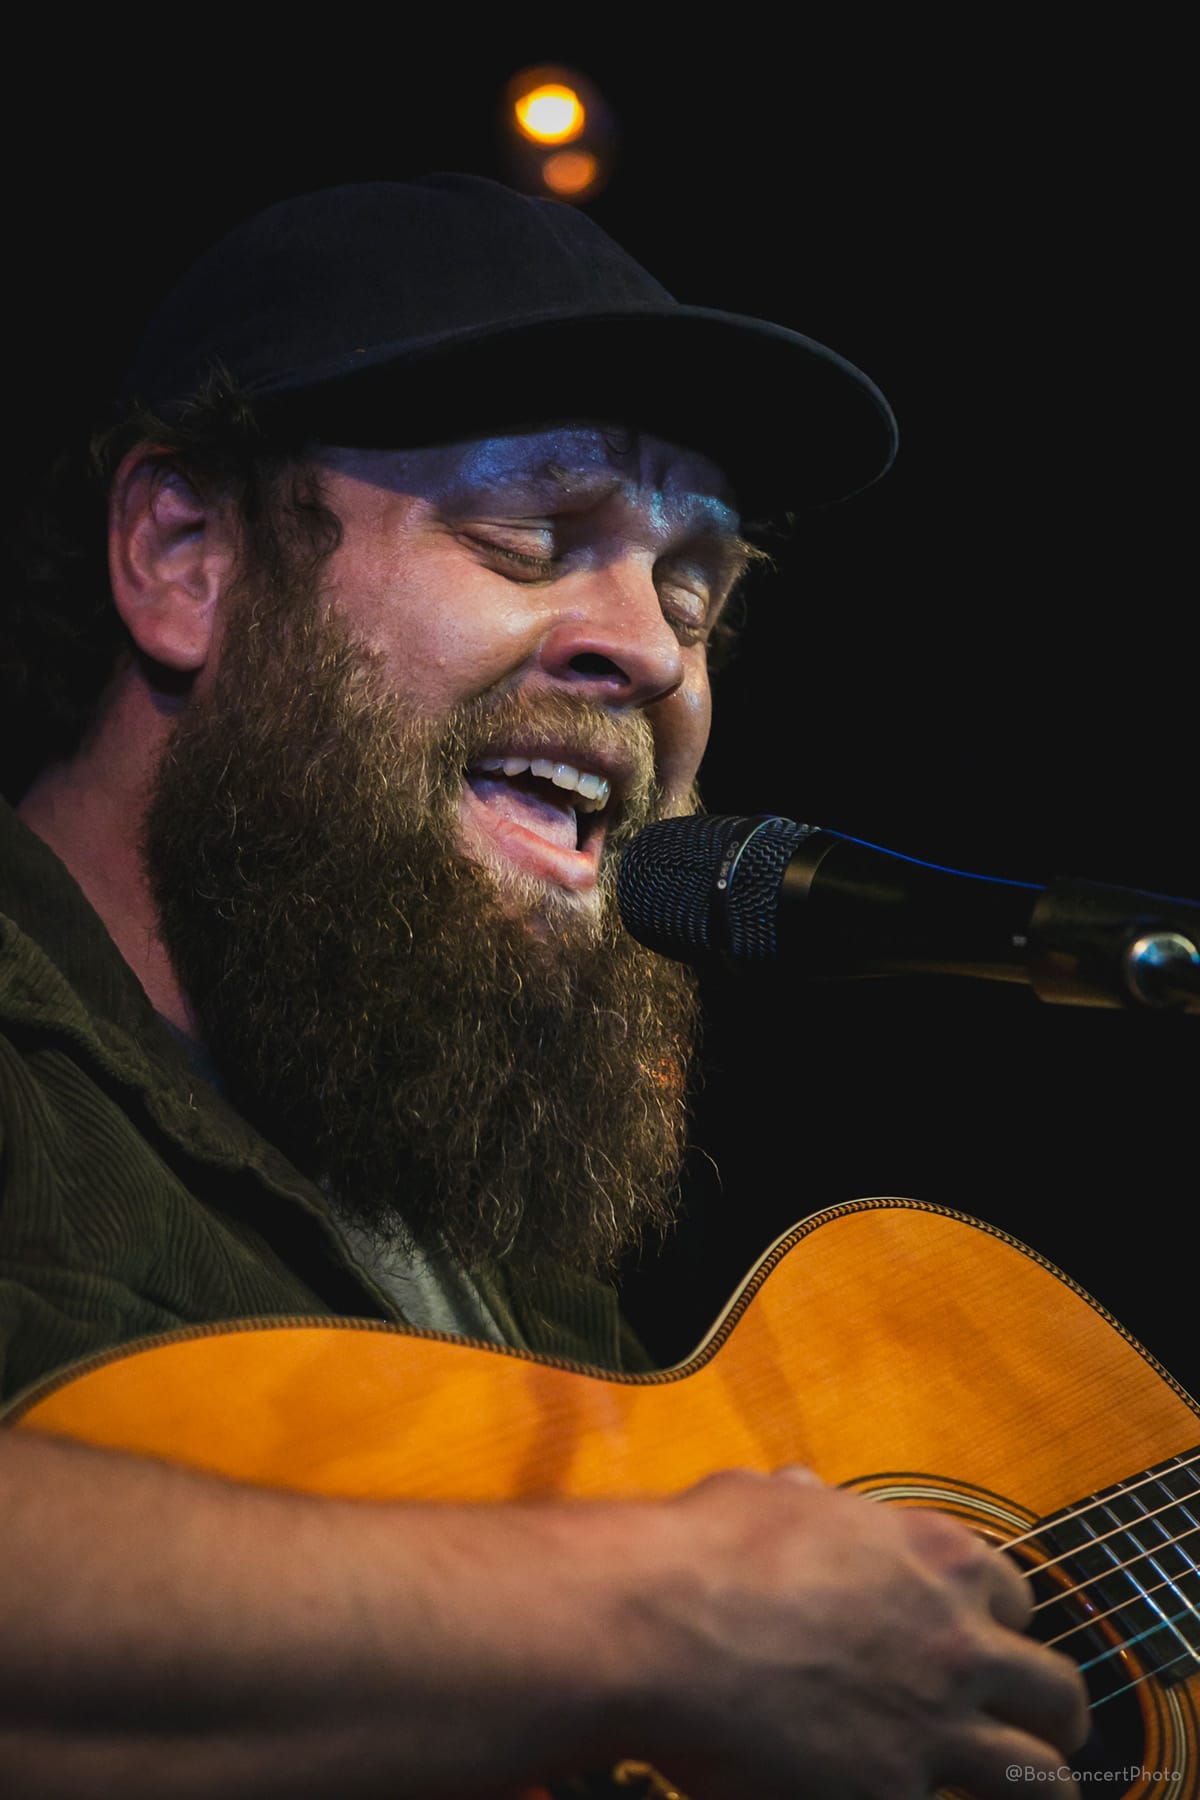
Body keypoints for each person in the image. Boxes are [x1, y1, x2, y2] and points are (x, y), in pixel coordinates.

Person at [0, 174, 1087, 1797]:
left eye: (695, 589)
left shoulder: (489, 1244)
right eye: (531, 537)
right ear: (185, 558)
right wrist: (642, 1623)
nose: (651, 651)